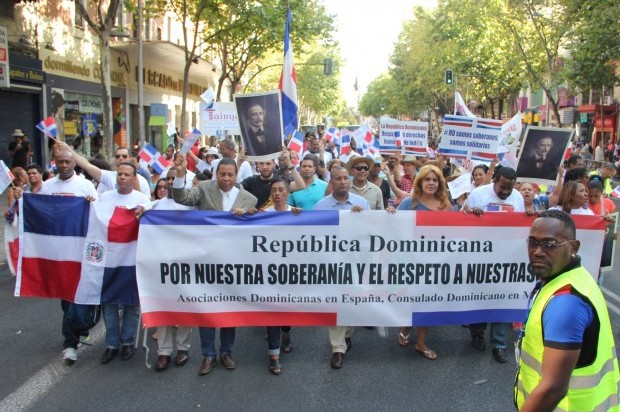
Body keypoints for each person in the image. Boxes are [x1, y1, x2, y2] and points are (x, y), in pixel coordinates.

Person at [514, 209, 620, 411]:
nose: (537, 251)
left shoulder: (565, 302)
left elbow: (553, 388)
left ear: (574, 247)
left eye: (550, 244)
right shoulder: (575, 277)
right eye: (533, 242)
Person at [172, 155, 257, 376]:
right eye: (222, 174)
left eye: (230, 175)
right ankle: (208, 355)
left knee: (229, 308)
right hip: (206, 261)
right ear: (216, 174)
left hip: (233, 264)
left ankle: (226, 352)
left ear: (237, 176)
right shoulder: (204, 188)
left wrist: (249, 216)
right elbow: (181, 198)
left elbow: (254, 231)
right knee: (207, 308)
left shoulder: (249, 199)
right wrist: (180, 174)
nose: (226, 179)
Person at [40, 146, 98, 365]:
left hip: (80, 252)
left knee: (77, 298)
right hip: (58, 254)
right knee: (66, 299)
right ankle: (74, 335)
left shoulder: (85, 186)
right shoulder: (47, 187)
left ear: (74, 163)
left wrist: (92, 205)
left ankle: (71, 342)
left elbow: (97, 217)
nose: (63, 166)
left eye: (67, 162)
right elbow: (41, 215)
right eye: (60, 162)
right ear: (54, 162)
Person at [463, 166, 525, 363]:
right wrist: (472, 213)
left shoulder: (517, 198)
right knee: (480, 297)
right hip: (480, 257)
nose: (506, 192)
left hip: (506, 258)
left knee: (502, 299)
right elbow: (462, 219)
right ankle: (477, 333)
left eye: (510, 188)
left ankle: (499, 344)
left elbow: (521, 226)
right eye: (503, 187)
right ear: (494, 181)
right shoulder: (478, 194)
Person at [313, 166, 370, 369]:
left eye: (346, 178)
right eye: (338, 178)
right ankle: (337, 348)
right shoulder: (321, 206)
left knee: (352, 301)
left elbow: (372, 232)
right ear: (332, 182)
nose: (343, 181)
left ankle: (347, 334)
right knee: (337, 303)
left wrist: (362, 217)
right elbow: (314, 237)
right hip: (332, 263)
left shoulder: (362, 203)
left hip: (356, 263)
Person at [397, 164, 451, 361]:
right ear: (420, 182)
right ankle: (405, 326)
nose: (431, 183)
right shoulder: (408, 203)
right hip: (411, 262)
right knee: (411, 299)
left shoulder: (445, 205)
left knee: (427, 302)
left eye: (435, 180)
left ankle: (421, 342)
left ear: (440, 183)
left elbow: (454, 231)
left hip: (435, 263)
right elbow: (393, 227)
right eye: (427, 179)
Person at [98, 163, 150, 364]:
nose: (122, 177)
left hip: (132, 260)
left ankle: (127, 342)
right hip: (110, 260)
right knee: (109, 303)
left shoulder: (142, 200)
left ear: (134, 178)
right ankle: (111, 344)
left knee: (131, 303)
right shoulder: (105, 198)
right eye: (119, 174)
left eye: (127, 174)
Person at [63, 143, 151, 196]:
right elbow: (87, 166)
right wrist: (70, 151)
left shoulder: (142, 180)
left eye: (124, 156)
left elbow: (146, 203)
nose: (120, 158)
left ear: (131, 158)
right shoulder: (108, 176)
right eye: (117, 156)